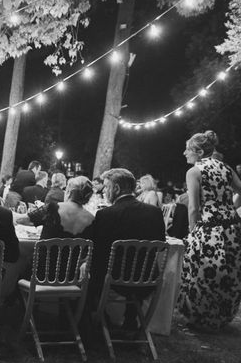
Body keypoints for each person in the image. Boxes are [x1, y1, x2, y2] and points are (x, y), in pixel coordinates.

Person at [178, 130, 241, 331]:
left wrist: (192, 232)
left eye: (187, 149)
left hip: (209, 229)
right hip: (232, 228)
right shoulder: (226, 168)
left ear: (198, 151)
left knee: (203, 275)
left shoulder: (194, 172)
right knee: (228, 274)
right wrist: (232, 209)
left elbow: (193, 207)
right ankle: (221, 319)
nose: (184, 153)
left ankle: (201, 319)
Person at [89, 168, 166, 330]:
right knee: (132, 266)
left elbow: (98, 250)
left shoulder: (106, 214)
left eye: (106, 187)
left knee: (91, 268)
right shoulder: (155, 213)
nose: (104, 191)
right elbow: (160, 245)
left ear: (116, 188)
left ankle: (100, 319)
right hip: (147, 277)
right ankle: (130, 318)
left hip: (115, 278)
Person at [17, 176, 94, 240]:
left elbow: (21, 220)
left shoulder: (53, 208)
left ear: (69, 192)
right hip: (74, 258)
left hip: (46, 257)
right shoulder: (92, 219)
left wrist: (9, 213)